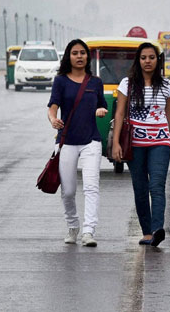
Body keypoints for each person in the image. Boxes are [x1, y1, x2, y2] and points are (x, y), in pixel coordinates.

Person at [112, 42, 170, 247]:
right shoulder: (127, 84)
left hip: (160, 143)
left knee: (157, 185)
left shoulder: (167, 86)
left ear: (158, 60)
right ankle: (146, 231)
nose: (147, 61)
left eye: (151, 57)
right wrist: (116, 142)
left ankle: (157, 229)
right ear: (138, 60)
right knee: (140, 187)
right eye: (143, 58)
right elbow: (119, 113)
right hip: (135, 144)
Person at [47, 39, 108, 247]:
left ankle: (89, 231)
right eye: (75, 53)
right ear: (68, 56)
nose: (79, 56)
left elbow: (103, 106)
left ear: (87, 57)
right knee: (69, 190)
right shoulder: (61, 81)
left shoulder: (95, 82)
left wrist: (101, 111)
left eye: (83, 53)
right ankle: (73, 226)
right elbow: (52, 106)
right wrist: (53, 119)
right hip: (66, 141)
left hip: (91, 141)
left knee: (91, 187)